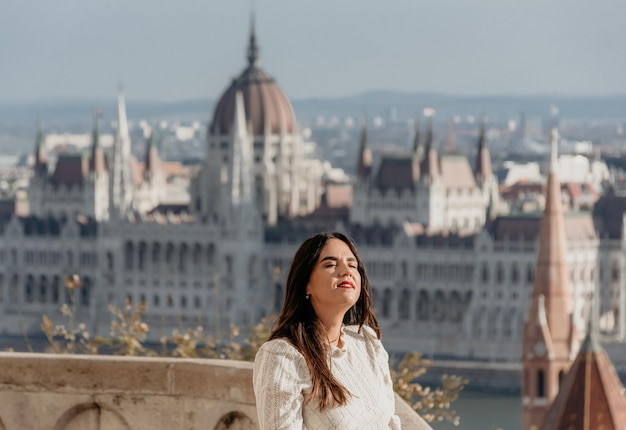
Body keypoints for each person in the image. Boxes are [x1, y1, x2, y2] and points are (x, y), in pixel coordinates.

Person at [253, 231, 401, 429]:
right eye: (330, 264)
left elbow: (390, 422)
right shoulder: (282, 357)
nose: (346, 271)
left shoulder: (368, 342)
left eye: (352, 265)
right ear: (306, 284)